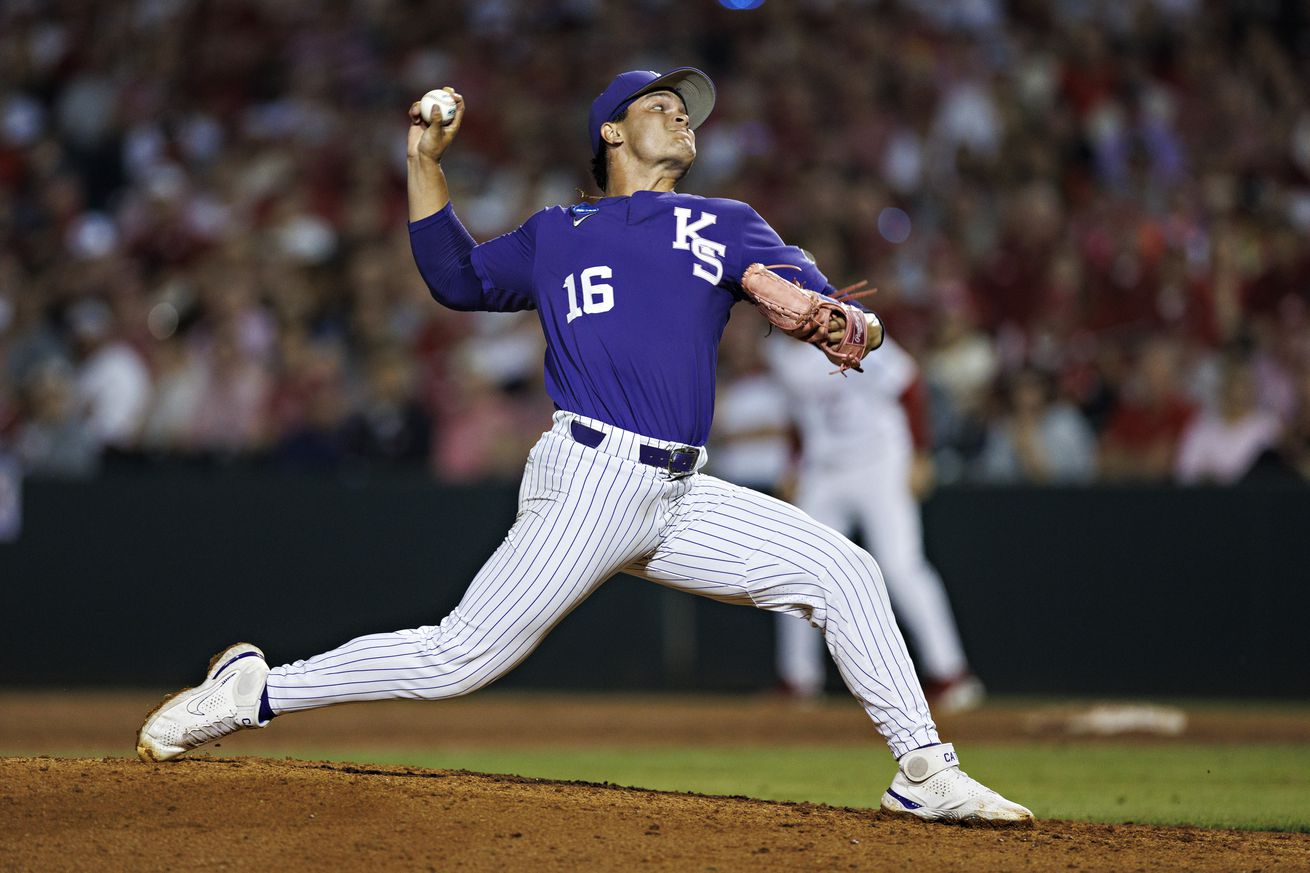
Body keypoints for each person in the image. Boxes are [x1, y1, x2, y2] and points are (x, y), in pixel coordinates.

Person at [137, 69, 1032, 825]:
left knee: (847, 572)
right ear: (611, 129)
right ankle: (254, 689)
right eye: (662, 103)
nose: (682, 113)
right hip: (593, 475)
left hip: (680, 492)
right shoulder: (558, 234)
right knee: (459, 658)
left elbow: (844, 315)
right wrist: (421, 163)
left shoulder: (725, 223)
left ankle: (923, 770)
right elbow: (457, 278)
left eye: (689, 109)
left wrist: (851, 325)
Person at [767, 334, 984, 713]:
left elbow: (910, 384)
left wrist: (919, 453)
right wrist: (793, 463)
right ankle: (798, 679)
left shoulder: (849, 328)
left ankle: (951, 674)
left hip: (881, 460)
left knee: (900, 567)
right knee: (797, 566)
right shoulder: (779, 351)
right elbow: (798, 413)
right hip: (824, 468)